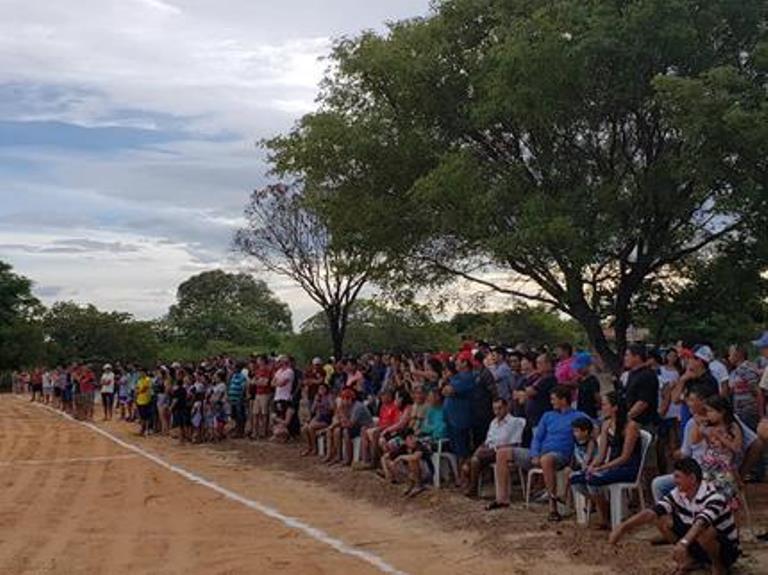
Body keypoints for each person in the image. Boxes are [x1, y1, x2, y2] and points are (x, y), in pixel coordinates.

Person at [610, 458, 740, 575]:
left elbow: (701, 522)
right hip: (697, 542)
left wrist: (683, 543)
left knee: (705, 531)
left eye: (678, 477)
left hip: (726, 550)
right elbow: (653, 512)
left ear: (692, 478)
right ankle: (689, 560)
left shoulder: (714, 496)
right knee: (661, 518)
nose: (675, 481)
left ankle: (719, 567)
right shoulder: (678, 493)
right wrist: (623, 527)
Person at [495, 386, 588, 519]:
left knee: (547, 459)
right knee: (502, 453)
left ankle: (553, 506)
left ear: (563, 400)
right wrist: (534, 454)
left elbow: (593, 427)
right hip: (540, 453)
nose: (551, 402)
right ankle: (502, 499)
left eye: (554, 399)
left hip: (560, 455)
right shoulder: (548, 415)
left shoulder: (578, 416)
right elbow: (538, 438)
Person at [570, 391, 642, 529]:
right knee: (576, 479)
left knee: (593, 479)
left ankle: (604, 518)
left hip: (627, 467)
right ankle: (605, 507)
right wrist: (592, 465)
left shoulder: (630, 426)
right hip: (612, 465)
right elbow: (601, 454)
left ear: (615, 407)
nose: (602, 407)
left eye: (604, 405)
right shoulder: (606, 424)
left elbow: (625, 457)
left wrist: (602, 468)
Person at [463, 398, 525, 506]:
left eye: (499, 408)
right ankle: (473, 487)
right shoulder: (494, 422)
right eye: (495, 409)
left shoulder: (515, 422)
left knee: (475, 459)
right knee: (475, 460)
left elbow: (515, 444)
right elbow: (488, 441)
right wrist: (483, 447)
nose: (497, 412)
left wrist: (496, 449)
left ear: (506, 407)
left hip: (504, 452)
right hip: (489, 451)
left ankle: (470, 482)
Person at [692, 395, 743, 501]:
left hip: (725, 465)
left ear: (722, 412)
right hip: (708, 464)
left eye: (711, 411)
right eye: (707, 411)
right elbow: (695, 440)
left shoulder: (732, 427)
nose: (708, 414)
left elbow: (736, 448)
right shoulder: (708, 427)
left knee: (722, 480)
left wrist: (720, 437)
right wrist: (698, 424)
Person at [442, 356, 476, 476]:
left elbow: (449, 390)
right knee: (455, 449)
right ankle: (458, 475)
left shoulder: (468, 377)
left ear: (465, 363)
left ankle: (464, 476)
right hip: (451, 419)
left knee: (463, 451)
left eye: (458, 361)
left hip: (460, 420)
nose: (455, 363)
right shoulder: (457, 377)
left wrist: (448, 389)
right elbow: (444, 390)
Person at [724, 344, 762, 431]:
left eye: (730, 354)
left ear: (738, 354)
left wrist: (761, 415)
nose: (728, 357)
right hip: (740, 412)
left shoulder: (746, 369)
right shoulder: (735, 371)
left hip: (749, 412)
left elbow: (757, 392)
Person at [623, 344, 659, 428]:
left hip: (643, 424)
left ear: (637, 357)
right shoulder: (632, 374)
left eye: (627, 355)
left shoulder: (646, 375)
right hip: (633, 422)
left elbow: (643, 402)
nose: (625, 358)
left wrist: (627, 417)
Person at [301, 382, 334, 456]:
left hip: (326, 418)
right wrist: (316, 402)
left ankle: (314, 448)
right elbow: (312, 410)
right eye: (320, 389)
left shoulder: (329, 396)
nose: (321, 390)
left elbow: (332, 408)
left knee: (311, 427)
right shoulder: (317, 397)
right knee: (304, 429)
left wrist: (324, 406)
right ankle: (309, 446)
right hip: (318, 417)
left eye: (323, 388)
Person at [573, 352, 600, 420]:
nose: (578, 370)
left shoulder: (592, 381)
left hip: (589, 413)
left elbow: (597, 397)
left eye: (581, 367)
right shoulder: (580, 380)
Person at [135, 368, 153, 436]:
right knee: (142, 416)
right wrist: (136, 394)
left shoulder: (148, 379)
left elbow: (144, 389)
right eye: (140, 372)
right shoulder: (139, 380)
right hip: (139, 400)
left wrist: (137, 392)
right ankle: (142, 428)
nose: (141, 374)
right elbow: (137, 388)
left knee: (146, 416)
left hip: (146, 400)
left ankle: (146, 429)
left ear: (145, 373)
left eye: (142, 372)